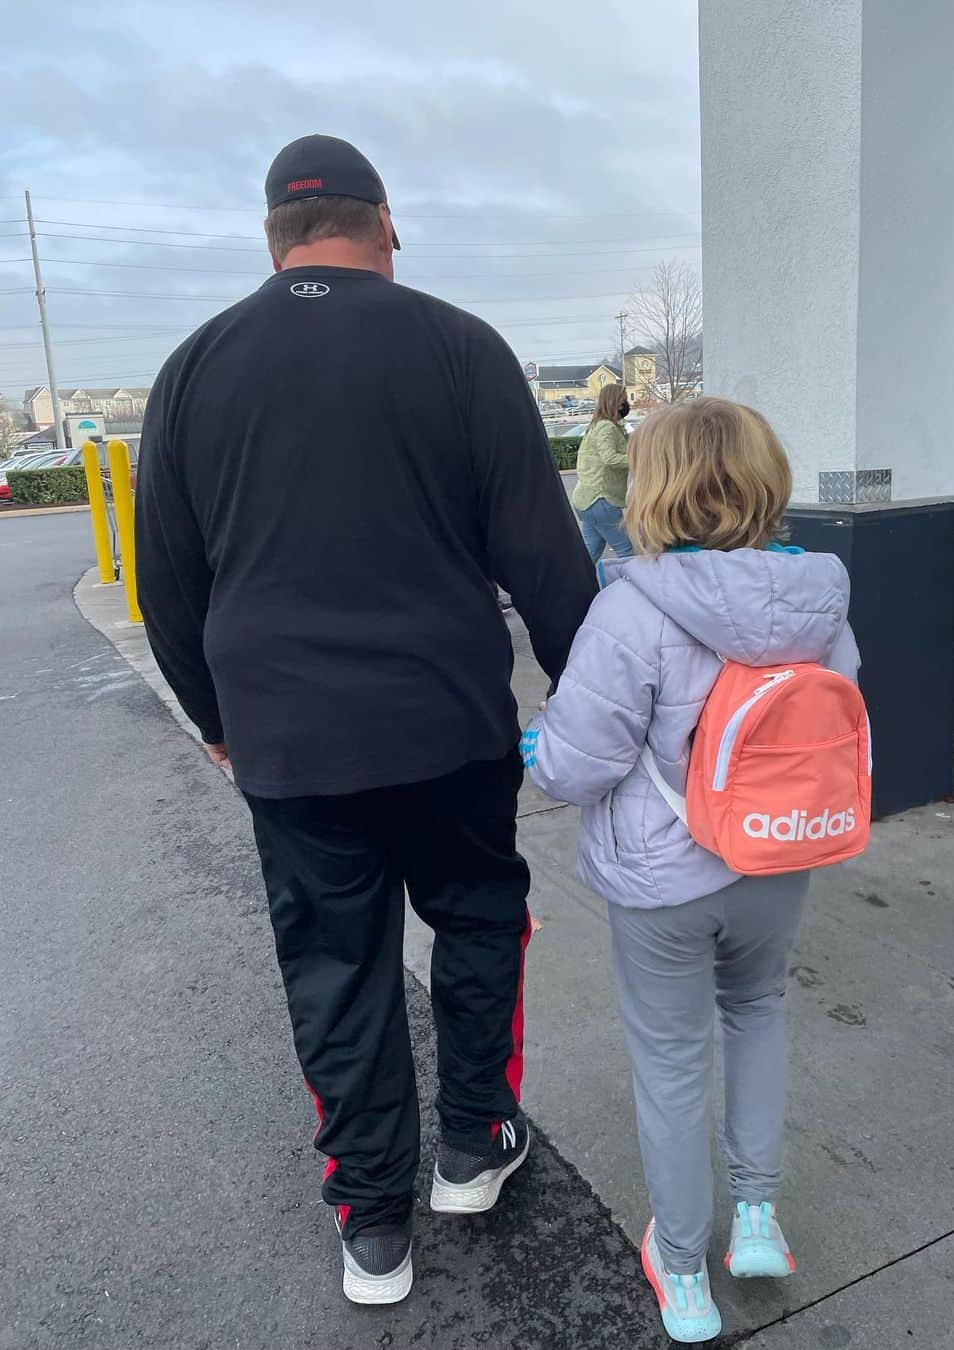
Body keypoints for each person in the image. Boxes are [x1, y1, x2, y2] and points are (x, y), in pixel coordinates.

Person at [135, 134, 597, 1306]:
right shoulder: (461, 347)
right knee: (481, 918)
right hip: (445, 722)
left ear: (273, 237)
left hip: (290, 740)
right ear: (384, 224)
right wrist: (599, 709)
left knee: (335, 965)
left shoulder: (194, 368)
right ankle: (473, 1146)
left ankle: (373, 1224)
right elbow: (543, 557)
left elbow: (168, 577)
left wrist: (216, 720)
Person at [521, 398, 858, 1344]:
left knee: (671, 1066)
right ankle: (757, 1218)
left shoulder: (632, 608)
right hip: (780, 856)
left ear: (653, 487)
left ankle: (683, 1270)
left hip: (665, 882)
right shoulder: (819, 599)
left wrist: (532, 750)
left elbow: (578, 763)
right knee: (757, 1015)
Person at [571, 382, 634, 562]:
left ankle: (571, 587)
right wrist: (637, 460)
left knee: (589, 555)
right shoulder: (607, 427)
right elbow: (610, 458)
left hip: (586, 501)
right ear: (615, 401)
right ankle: (629, 589)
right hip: (601, 501)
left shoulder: (597, 426)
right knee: (627, 552)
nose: (626, 403)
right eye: (624, 399)